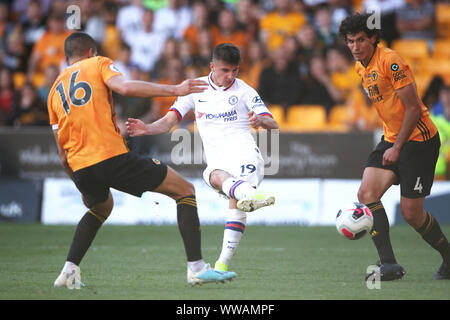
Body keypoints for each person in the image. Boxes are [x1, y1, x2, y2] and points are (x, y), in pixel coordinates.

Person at [48, 32, 236, 289]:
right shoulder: (98, 63)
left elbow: (61, 152)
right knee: (185, 191)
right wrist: (174, 89)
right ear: (91, 51)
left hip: (80, 167)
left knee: (100, 208)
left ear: (67, 57)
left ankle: (69, 270)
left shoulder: (53, 92)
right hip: (110, 157)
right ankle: (197, 268)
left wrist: (79, 182)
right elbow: (124, 87)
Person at [126, 43, 278, 273]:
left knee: (232, 200)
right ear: (212, 66)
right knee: (216, 178)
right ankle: (250, 199)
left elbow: (272, 122)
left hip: (245, 155)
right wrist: (146, 128)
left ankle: (222, 262)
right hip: (220, 161)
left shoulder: (244, 90)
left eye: (235, 70)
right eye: (225, 70)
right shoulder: (196, 89)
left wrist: (260, 120)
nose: (231, 76)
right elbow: (169, 121)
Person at [339, 13, 450, 281]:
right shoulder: (360, 67)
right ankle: (389, 265)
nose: (355, 46)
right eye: (350, 41)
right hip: (392, 138)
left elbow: (413, 108)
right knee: (367, 193)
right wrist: (391, 142)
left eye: (361, 40)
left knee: (412, 214)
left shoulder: (391, 62)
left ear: (373, 38)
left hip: (418, 141)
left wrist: (397, 147)